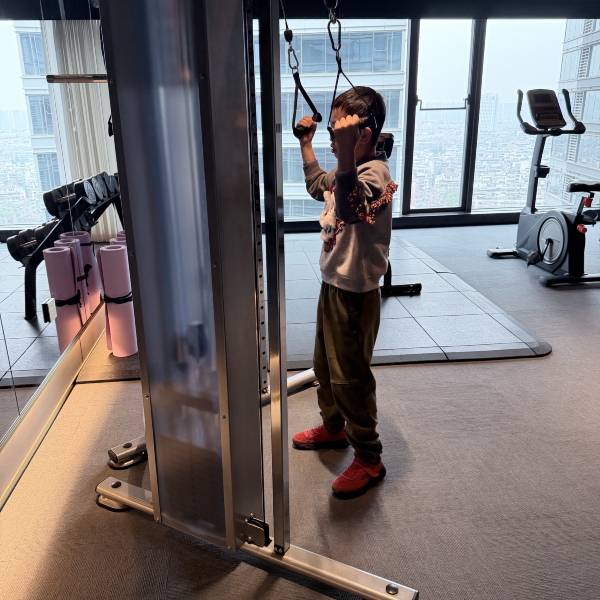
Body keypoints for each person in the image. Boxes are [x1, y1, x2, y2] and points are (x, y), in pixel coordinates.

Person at [291, 86, 398, 499]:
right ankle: (334, 428)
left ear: (363, 135)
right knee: (324, 367)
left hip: (355, 294)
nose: (333, 137)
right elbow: (320, 184)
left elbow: (353, 208)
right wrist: (306, 144)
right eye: (333, 130)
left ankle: (369, 458)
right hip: (333, 285)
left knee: (350, 377)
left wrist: (347, 153)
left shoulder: (374, 174)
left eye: (340, 130)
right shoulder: (350, 167)